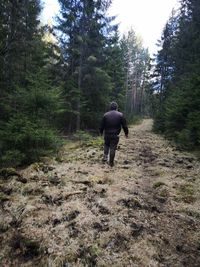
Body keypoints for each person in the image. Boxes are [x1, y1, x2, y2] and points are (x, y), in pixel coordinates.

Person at [99, 101, 129, 167]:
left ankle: (105, 156)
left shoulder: (105, 115)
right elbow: (124, 126)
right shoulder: (121, 115)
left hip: (107, 134)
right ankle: (111, 163)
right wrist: (126, 133)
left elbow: (102, 125)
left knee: (106, 144)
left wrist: (101, 132)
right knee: (113, 147)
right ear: (117, 107)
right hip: (115, 134)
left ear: (110, 107)